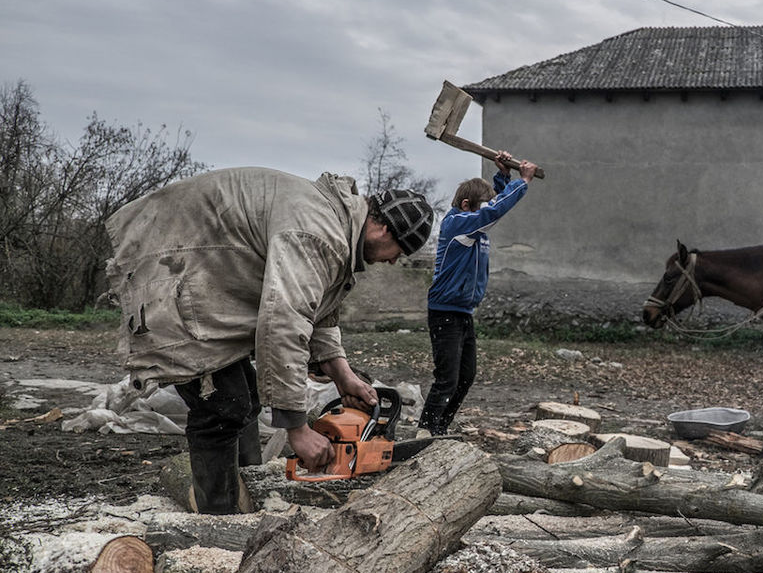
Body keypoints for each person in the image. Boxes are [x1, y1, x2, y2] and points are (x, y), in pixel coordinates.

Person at [104, 166, 434, 514]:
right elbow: (284, 322)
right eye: (400, 248)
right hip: (175, 273)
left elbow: (314, 309)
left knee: (244, 398)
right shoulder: (320, 233)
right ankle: (219, 518)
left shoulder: (334, 222)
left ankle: (250, 487)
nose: (395, 260)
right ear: (381, 227)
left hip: (207, 280)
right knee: (220, 404)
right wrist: (298, 428)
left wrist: (342, 373)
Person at [418, 151, 537, 435]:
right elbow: (492, 210)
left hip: (463, 312)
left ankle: (440, 428)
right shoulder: (457, 223)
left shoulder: (476, 226)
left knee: (466, 376)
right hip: (444, 311)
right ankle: (426, 430)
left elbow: (491, 207)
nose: (487, 212)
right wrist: (522, 182)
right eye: (480, 206)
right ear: (465, 204)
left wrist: (503, 175)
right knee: (447, 378)